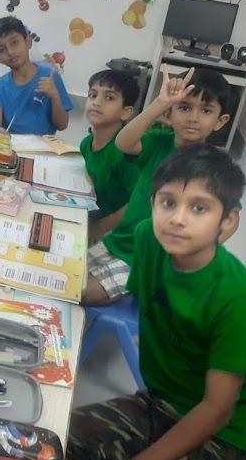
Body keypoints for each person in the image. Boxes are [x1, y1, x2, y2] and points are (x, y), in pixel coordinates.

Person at [65, 143, 246, 460]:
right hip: (167, 401)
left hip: (226, 437)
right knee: (58, 440)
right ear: (152, 203)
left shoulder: (237, 299)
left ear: (228, 221)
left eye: (199, 208)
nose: (178, 218)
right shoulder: (147, 239)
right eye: (168, 202)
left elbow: (217, 410)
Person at [83, 66, 232, 304]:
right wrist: (161, 102)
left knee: (82, 293)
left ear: (220, 121)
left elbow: (231, 220)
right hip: (116, 242)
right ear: (169, 115)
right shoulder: (158, 143)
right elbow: (123, 142)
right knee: (66, 277)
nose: (193, 117)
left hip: (142, 261)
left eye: (206, 110)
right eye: (184, 107)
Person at [80, 68, 141, 239]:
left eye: (109, 98)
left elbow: (137, 202)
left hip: (118, 231)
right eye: (93, 95)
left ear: (125, 112)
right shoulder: (86, 143)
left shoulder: (125, 154)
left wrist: (99, 229)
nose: (96, 102)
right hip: (90, 216)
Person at [0, 16, 73, 134]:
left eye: (14, 43)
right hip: (11, 143)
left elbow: (62, 125)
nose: (10, 52)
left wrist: (55, 96)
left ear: (28, 42)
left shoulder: (50, 76)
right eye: (2, 50)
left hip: (44, 145)